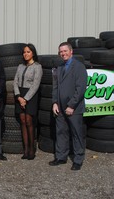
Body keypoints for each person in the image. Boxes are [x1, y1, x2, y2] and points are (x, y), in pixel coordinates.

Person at [49, 42, 87, 171]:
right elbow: (55, 87)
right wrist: (54, 102)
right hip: (59, 107)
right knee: (61, 132)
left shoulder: (79, 67)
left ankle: (78, 159)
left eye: (65, 51)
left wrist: (72, 105)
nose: (63, 53)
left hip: (73, 108)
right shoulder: (59, 67)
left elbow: (80, 89)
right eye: (61, 52)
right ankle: (61, 157)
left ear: (71, 52)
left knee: (76, 133)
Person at [13, 43, 42, 160]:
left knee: (29, 121)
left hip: (31, 96)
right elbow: (15, 81)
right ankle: (25, 150)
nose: (26, 54)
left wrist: (26, 98)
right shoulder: (20, 66)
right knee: (23, 121)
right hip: (20, 95)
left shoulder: (37, 67)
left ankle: (32, 150)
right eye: (24, 52)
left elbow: (36, 84)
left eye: (28, 52)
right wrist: (19, 96)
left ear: (33, 53)